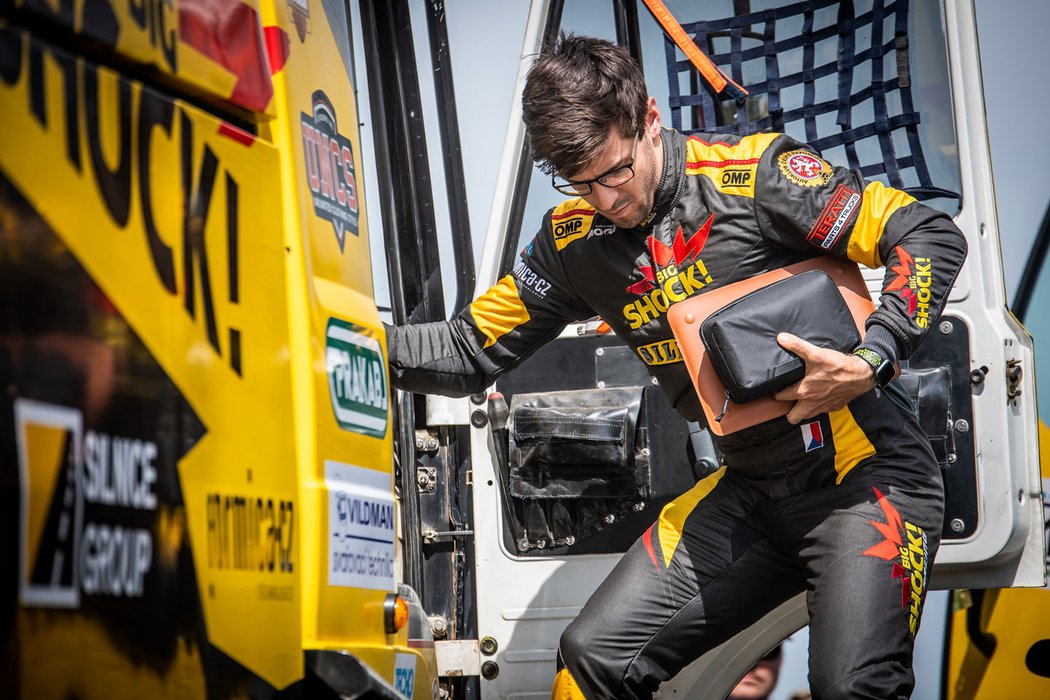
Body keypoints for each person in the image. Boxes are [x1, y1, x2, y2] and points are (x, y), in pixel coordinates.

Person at [385, 34, 966, 699]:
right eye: (580, 182)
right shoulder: (573, 242)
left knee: (849, 688)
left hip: (866, 485)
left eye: (616, 171)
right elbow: (467, 350)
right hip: (751, 494)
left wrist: (874, 358)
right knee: (588, 662)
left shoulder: (754, 176)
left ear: (650, 121)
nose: (605, 198)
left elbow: (926, 233)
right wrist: (342, 344)